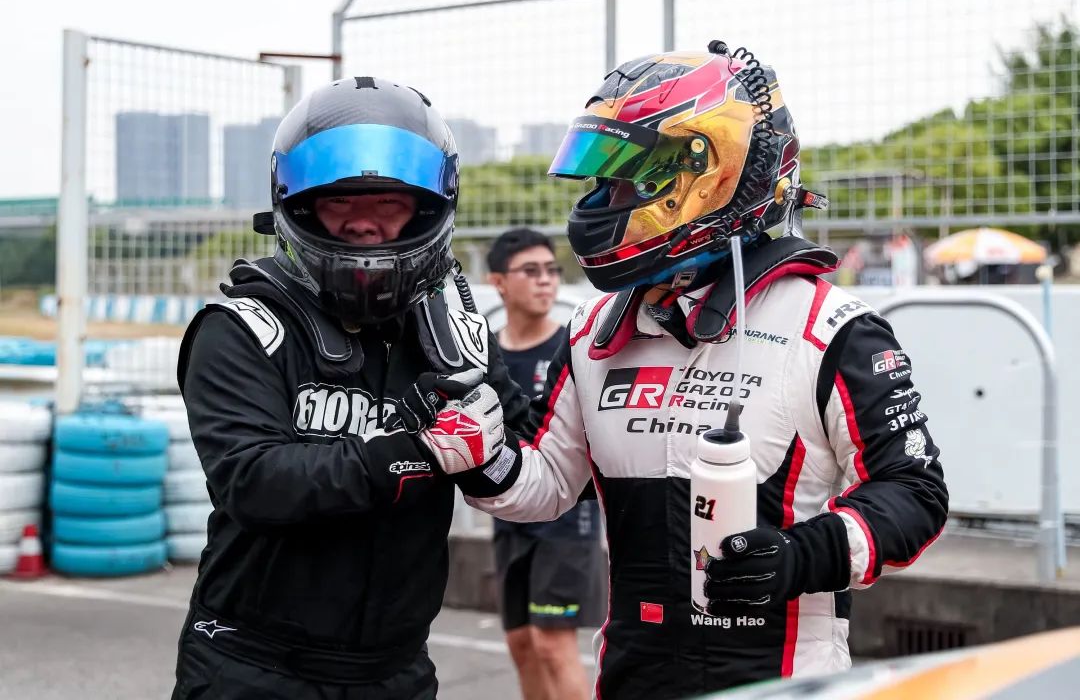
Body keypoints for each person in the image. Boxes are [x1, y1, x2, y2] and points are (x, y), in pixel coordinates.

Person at [409, 43, 950, 698]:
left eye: (624, 179)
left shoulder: (832, 327)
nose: (601, 199)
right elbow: (548, 482)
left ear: (707, 170)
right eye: (600, 179)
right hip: (633, 676)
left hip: (783, 682)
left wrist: (802, 556)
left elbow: (914, 491)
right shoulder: (594, 330)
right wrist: (480, 457)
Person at [170, 77, 531, 699]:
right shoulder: (243, 328)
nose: (364, 223)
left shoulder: (454, 333)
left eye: (388, 202)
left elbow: (534, 456)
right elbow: (254, 482)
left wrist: (492, 453)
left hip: (395, 669)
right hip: (252, 665)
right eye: (341, 201)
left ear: (427, 208)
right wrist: (418, 451)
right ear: (301, 207)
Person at [486, 228, 605, 700]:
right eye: (530, 271)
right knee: (521, 644)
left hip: (567, 522)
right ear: (498, 282)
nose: (545, 280)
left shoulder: (571, 348)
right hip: (510, 520)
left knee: (552, 644)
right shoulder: (485, 353)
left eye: (552, 271)